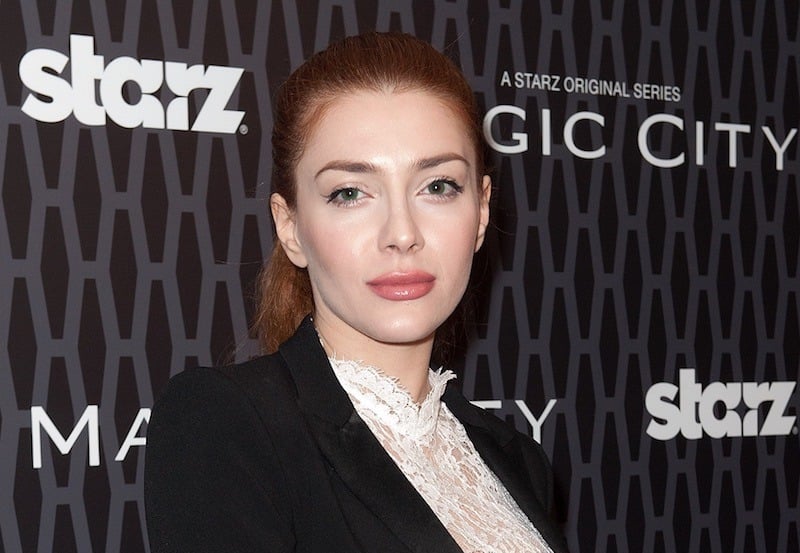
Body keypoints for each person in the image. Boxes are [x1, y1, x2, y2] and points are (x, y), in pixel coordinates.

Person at [144, 32, 568, 553]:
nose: (402, 233)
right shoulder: (225, 426)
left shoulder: (517, 459)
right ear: (290, 227)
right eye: (350, 193)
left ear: (481, 211)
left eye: (438, 186)